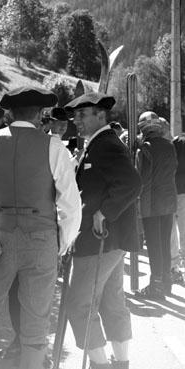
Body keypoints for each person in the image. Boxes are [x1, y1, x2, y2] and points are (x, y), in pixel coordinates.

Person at [0, 86, 82, 369]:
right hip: (42, 241)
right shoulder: (54, 146)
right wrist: (62, 244)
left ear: (9, 113)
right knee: (35, 330)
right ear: (40, 114)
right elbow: (71, 206)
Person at [64, 92, 141, 369]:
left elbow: (132, 183)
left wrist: (103, 212)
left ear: (100, 115)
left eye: (82, 115)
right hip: (109, 240)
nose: (77, 121)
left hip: (99, 240)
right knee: (112, 303)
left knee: (78, 304)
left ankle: (100, 365)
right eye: (75, 116)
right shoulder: (97, 144)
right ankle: (121, 363)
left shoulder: (105, 144)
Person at [135, 111, 177, 299]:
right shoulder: (169, 146)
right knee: (165, 244)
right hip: (169, 201)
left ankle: (156, 286)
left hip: (151, 203)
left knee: (154, 245)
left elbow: (140, 178)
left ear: (143, 129)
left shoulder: (144, 149)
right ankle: (166, 283)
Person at [170, 132, 185, 284]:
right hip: (179, 192)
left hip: (176, 190)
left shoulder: (177, 142)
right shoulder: (179, 142)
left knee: (173, 230)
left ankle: (175, 266)